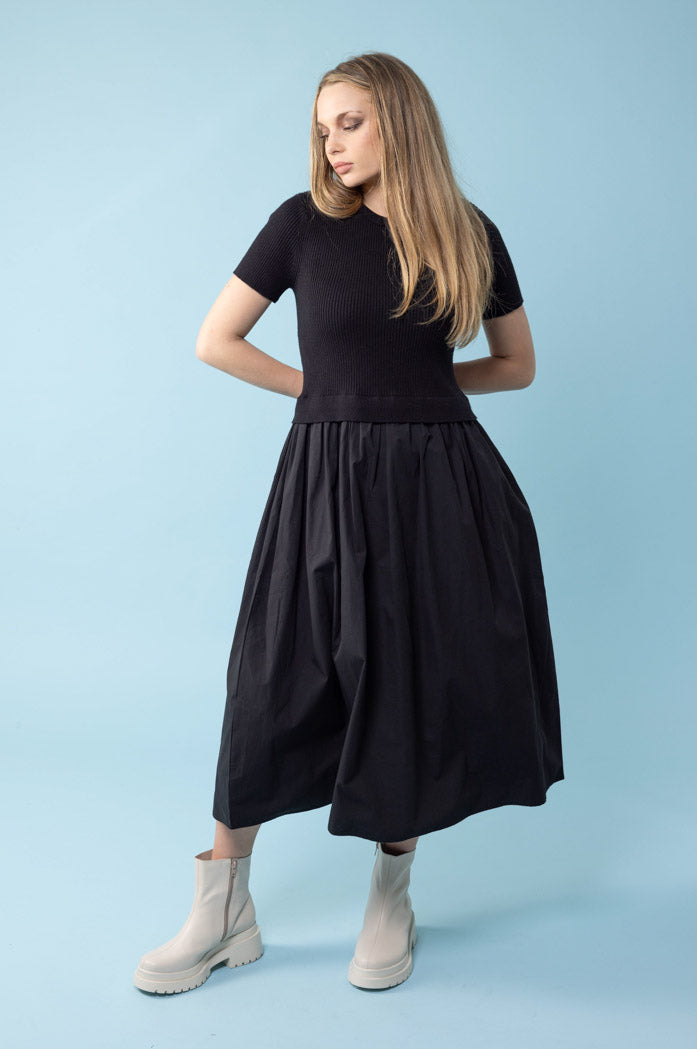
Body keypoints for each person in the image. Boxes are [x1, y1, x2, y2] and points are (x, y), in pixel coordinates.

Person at [133, 51, 564, 996]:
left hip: (440, 482)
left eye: (351, 122)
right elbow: (216, 339)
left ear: (399, 121)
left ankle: (390, 893)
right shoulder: (300, 225)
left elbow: (517, 364)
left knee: (405, 680)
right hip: (323, 476)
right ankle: (223, 908)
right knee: (270, 675)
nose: (332, 143)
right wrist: (326, 390)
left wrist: (419, 390)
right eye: (323, 127)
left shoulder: (468, 232)